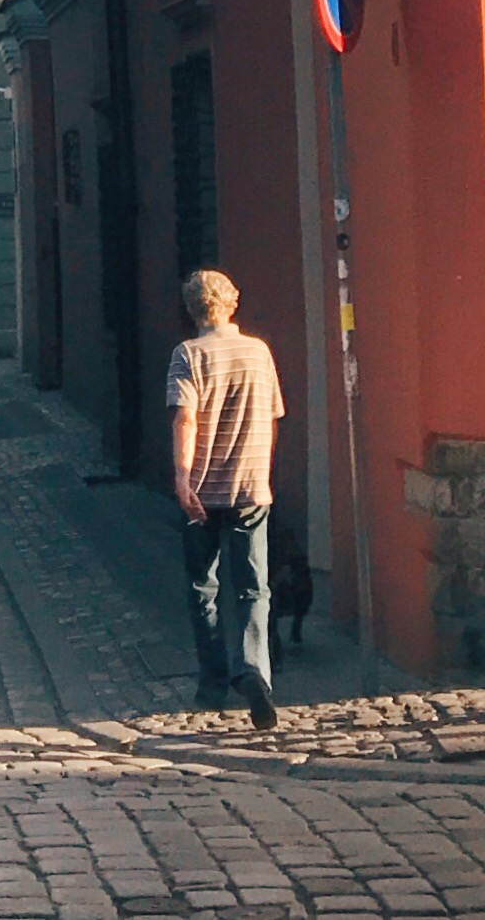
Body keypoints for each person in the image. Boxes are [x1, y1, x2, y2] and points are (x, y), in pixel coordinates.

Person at [166, 267, 284, 725]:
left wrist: (182, 478)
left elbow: (185, 419)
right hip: (251, 487)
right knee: (254, 587)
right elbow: (271, 417)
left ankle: (213, 684)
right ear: (232, 303)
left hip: (202, 491)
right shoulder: (259, 352)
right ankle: (253, 670)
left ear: (191, 308)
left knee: (204, 586)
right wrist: (262, 473)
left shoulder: (187, 354)